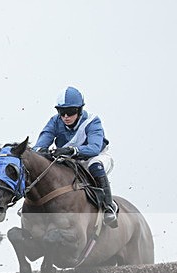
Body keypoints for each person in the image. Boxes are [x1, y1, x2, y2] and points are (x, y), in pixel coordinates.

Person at [32, 86, 118, 228]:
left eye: (71, 111)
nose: (66, 116)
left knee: (95, 165)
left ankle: (108, 207)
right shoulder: (55, 121)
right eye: (62, 112)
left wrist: (72, 150)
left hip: (94, 157)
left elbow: (94, 148)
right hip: (70, 160)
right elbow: (40, 145)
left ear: (79, 110)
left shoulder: (92, 121)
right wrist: (41, 152)